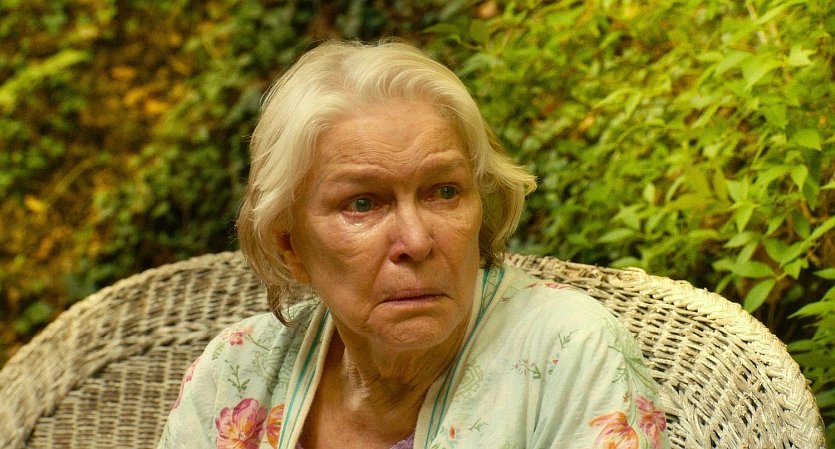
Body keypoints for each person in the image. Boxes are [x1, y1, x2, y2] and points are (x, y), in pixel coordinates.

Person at [158, 40, 669, 449]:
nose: (417, 241)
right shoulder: (236, 370)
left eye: (444, 192)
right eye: (362, 203)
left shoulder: (567, 350)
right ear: (290, 245)